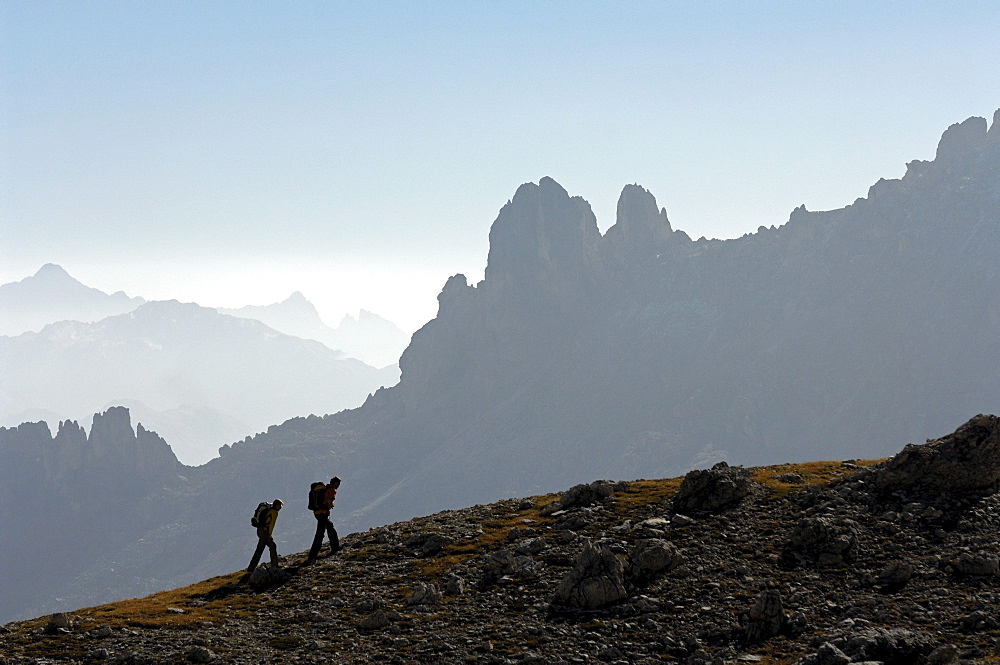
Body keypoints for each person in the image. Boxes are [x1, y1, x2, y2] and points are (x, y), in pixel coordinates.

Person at [306, 476, 341, 562]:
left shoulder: (324, 488)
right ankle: (312, 555)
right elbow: (328, 501)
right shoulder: (331, 490)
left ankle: (335, 546)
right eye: (338, 484)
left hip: (317, 513)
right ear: (336, 483)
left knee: (329, 526)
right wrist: (330, 505)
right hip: (323, 513)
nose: (338, 486)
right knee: (320, 534)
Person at [247, 498, 283, 572]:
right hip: (265, 532)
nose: (280, 508)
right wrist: (269, 535)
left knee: (262, 548)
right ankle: (274, 565)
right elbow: (271, 525)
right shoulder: (274, 512)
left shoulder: (268, 509)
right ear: (276, 505)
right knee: (269, 547)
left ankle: (251, 568)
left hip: (260, 530)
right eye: (279, 506)